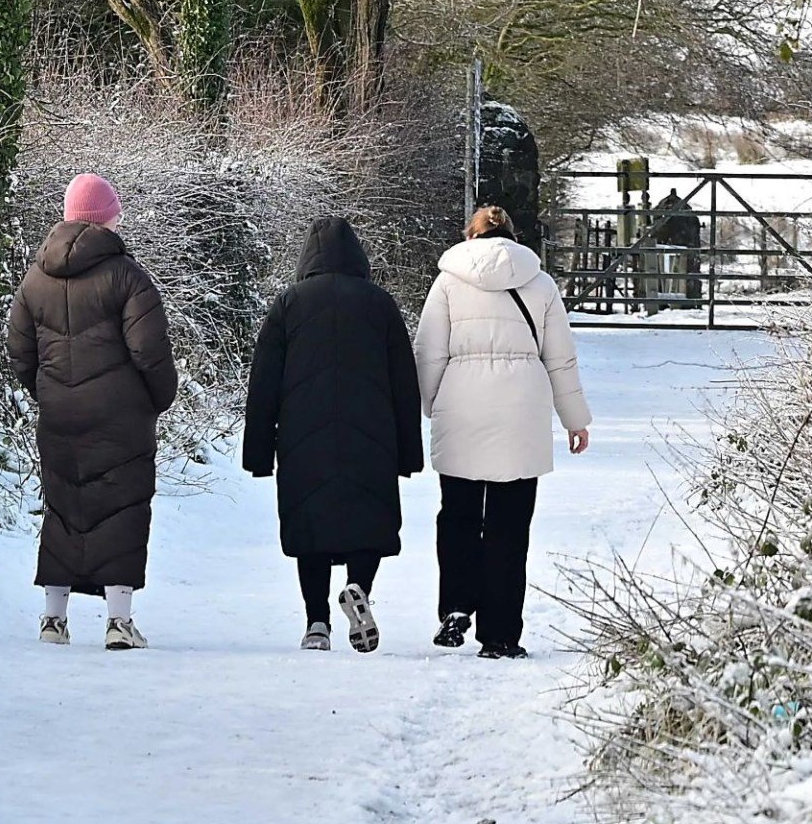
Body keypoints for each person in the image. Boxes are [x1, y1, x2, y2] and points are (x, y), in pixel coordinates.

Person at [7, 173, 178, 650]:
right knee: (122, 510)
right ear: (107, 217)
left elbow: (20, 354)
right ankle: (119, 622)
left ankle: (53, 620)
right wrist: (156, 400)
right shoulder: (128, 277)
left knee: (62, 509)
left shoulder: (34, 279)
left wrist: (50, 393)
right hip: (121, 417)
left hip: (59, 416)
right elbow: (151, 352)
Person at [413, 205, 590, 659]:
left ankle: (455, 606)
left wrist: (431, 405)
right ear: (514, 238)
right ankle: (500, 635)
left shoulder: (448, 280)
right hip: (521, 412)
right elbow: (560, 358)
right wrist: (575, 419)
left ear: (470, 237)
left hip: (462, 407)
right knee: (509, 527)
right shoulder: (541, 283)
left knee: (458, 516)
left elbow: (429, 351)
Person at [243, 216, 422, 652]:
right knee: (369, 519)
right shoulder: (380, 304)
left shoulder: (288, 304)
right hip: (372, 433)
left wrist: (259, 453)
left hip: (304, 436)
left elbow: (263, 382)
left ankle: (317, 622)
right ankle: (358, 585)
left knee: (311, 525)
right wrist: (408, 453)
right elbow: (404, 382)